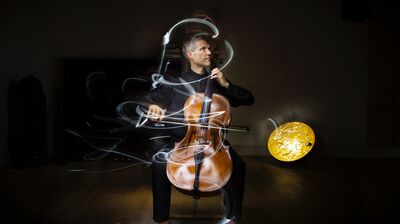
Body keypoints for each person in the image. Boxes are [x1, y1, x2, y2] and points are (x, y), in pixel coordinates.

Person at [146, 35, 254, 224]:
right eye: (203, 49)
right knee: (159, 165)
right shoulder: (176, 84)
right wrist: (152, 106)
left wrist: (226, 83)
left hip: (213, 141)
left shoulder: (218, 82)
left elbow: (248, 99)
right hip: (180, 141)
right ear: (190, 54)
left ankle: (232, 216)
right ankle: (161, 218)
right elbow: (148, 98)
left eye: (209, 49)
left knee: (238, 166)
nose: (209, 52)